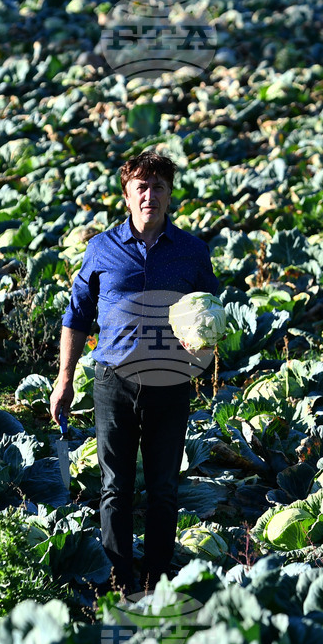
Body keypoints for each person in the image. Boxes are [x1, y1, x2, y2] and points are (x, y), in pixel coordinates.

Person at [50, 149, 220, 593]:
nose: (150, 196)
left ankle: (158, 577)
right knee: (115, 486)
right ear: (126, 195)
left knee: (164, 488)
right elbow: (77, 316)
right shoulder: (101, 249)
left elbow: (212, 310)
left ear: (170, 196)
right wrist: (64, 378)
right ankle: (121, 578)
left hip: (170, 381)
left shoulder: (192, 252)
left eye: (158, 187)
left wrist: (205, 344)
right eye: (141, 187)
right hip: (113, 382)